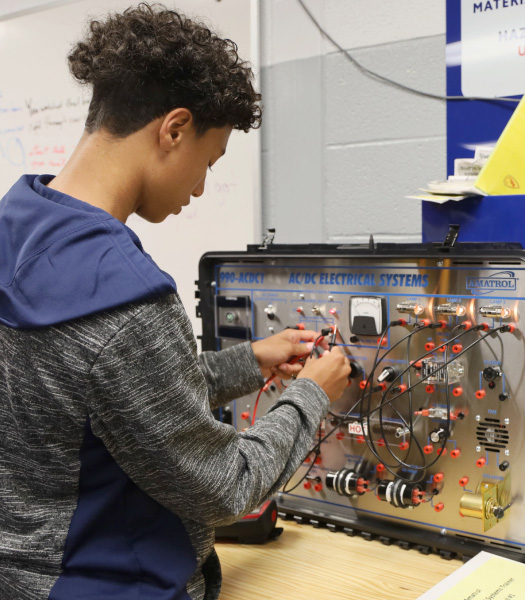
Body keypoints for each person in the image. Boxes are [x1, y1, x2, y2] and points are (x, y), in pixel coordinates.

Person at [0, 3, 351, 599]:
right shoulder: (123, 297)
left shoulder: (17, 230)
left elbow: (103, 398)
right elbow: (226, 486)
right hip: (113, 585)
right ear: (174, 129)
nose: (201, 186)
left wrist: (249, 361)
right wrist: (312, 393)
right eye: (207, 162)